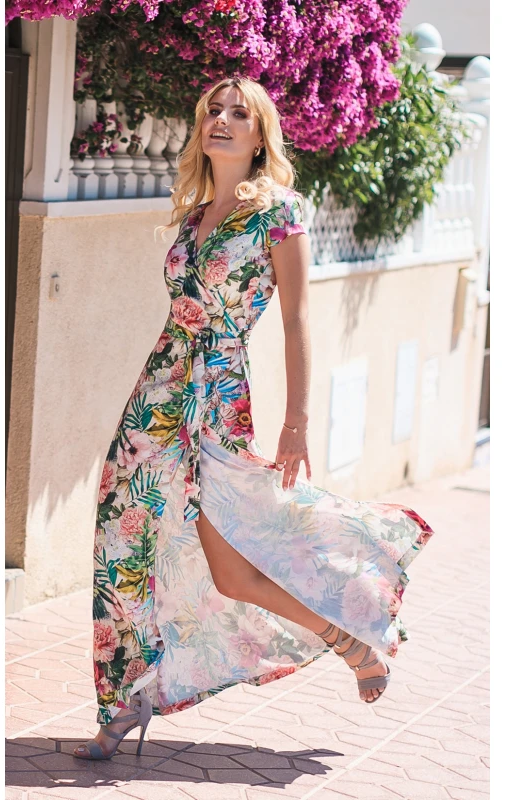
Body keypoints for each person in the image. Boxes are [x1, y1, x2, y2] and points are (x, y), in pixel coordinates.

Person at [74, 77, 434, 761]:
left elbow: (297, 321)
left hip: (216, 398)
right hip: (156, 394)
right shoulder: (193, 215)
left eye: (240, 113)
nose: (223, 119)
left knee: (233, 571)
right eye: (213, 109)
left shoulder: (280, 213)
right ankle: (123, 702)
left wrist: (296, 421)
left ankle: (350, 640)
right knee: (124, 543)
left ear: (260, 134)